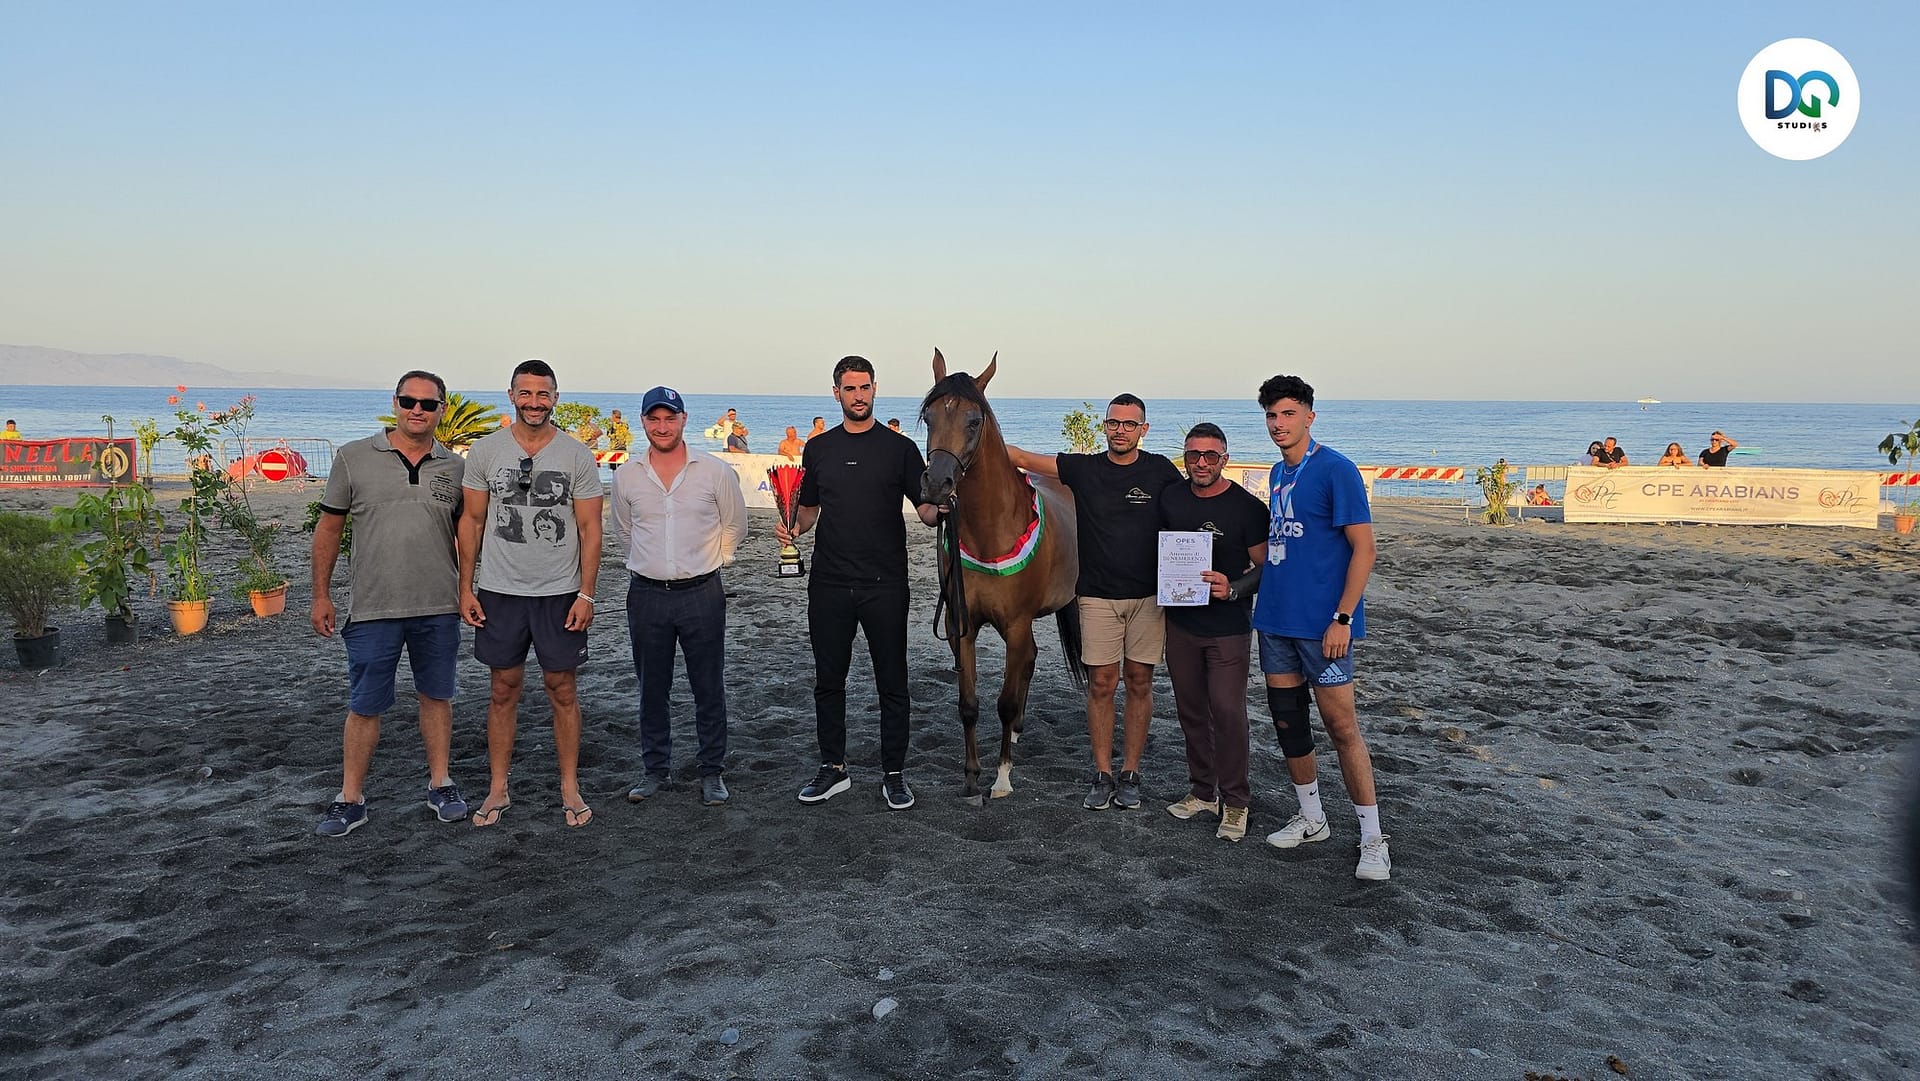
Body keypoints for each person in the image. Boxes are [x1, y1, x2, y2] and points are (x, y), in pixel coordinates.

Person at [774, 356, 941, 811]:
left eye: (865, 387)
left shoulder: (900, 448)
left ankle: (894, 774)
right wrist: (793, 525)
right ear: (837, 394)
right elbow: (809, 509)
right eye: (850, 389)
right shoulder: (818, 449)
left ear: (874, 389)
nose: (858, 396)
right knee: (829, 681)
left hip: (885, 584)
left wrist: (945, 504)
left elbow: (926, 512)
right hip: (829, 583)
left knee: (893, 683)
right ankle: (833, 768)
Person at [310, 371, 468, 837]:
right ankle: (350, 798)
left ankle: (441, 784)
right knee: (365, 704)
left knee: (437, 696)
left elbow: (468, 535)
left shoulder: (455, 468)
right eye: (409, 400)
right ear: (395, 403)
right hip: (373, 607)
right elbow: (329, 529)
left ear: (441, 409)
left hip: (438, 605)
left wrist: (467, 590)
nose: (417, 410)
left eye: (428, 403)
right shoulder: (353, 457)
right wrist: (321, 594)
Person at [1007, 395, 1182, 811]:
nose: (1121, 430)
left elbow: (1192, 507)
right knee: (1101, 685)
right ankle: (1103, 774)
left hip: (1149, 598)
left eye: (1129, 424)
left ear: (1143, 429)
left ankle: (1130, 773)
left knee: (1139, 682)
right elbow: (1022, 458)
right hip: (1097, 597)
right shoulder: (1083, 469)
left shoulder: (1160, 470)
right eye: (1114, 423)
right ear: (1104, 427)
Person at [1252, 374, 1391, 881]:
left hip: (1323, 626)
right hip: (1275, 621)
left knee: (1341, 728)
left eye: (1288, 414)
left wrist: (1343, 618)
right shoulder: (1276, 472)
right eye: (1272, 415)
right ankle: (1312, 817)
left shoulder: (1336, 469)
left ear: (1309, 416)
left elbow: (1364, 549)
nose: (1279, 424)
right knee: (1289, 723)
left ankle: (1373, 838)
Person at [457, 358, 605, 829]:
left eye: (543, 394)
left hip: (560, 592)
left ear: (555, 397)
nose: (534, 402)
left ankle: (569, 786)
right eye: (526, 393)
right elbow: (471, 521)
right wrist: (465, 588)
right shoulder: (486, 451)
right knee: (502, 689)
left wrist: (587, 594)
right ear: (511, 396)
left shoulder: (576, 455)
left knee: (562, 688)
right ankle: (498, 787)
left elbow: (590, 528)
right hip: (499, 590)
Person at [614, 386, 748, 808]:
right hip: (646, 594)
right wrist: (651, 565)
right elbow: (624, 531)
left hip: (701, 593)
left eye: (669, 418)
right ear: (643, 422)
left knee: (708, 686)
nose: (662, 427)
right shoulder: (627, 475)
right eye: (654, 419)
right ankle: (655, 770)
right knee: (652, 688)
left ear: (684, 419)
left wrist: (716, 560)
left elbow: (735, 525)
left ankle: (712, 771)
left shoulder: (714, 471)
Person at [1157, 423, 1268, 842]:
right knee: (1191, 711)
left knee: (1227, 711)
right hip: (1180, 624)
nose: (1201, 463)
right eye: (1193, 455)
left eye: (1210, 456)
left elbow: (1267, 568)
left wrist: (1234, 588)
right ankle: (1203, 792)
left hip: (1228, 629)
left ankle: (1236, 801)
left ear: (1225, 459)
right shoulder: (1171, 498)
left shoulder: (1248, 508)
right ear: (1184, 458)